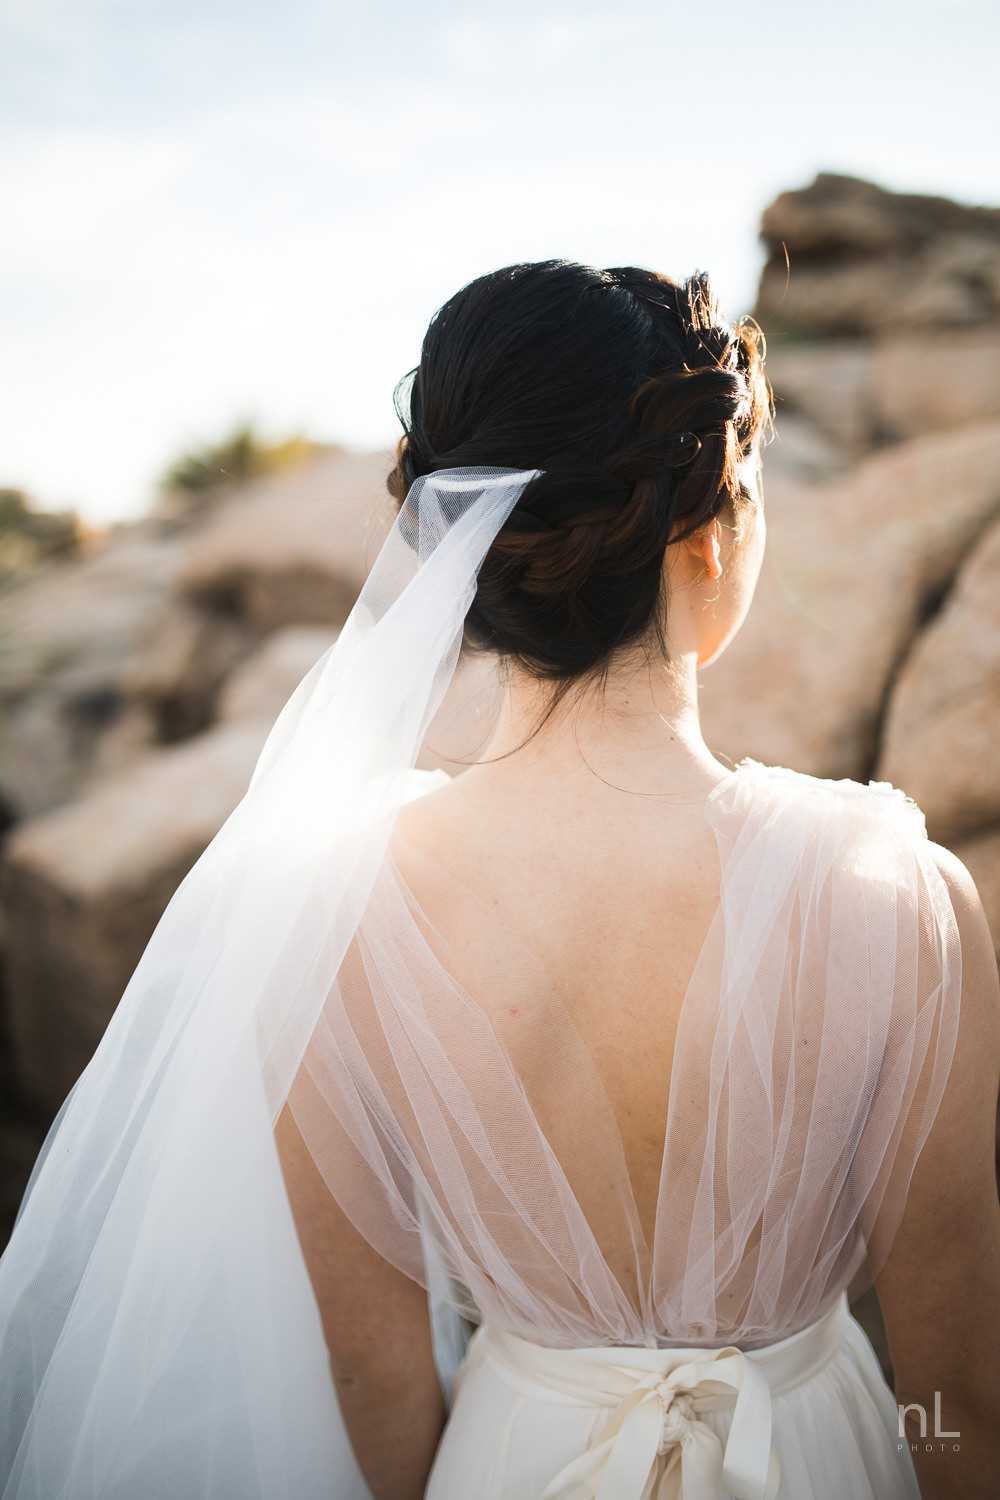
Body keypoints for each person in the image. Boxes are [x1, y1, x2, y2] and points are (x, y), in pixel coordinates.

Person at [0, 262, 998, 1500]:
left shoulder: (331, 913)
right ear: (710, 526)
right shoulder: (898, 891)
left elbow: (372, 1386)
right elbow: (960, 1394)